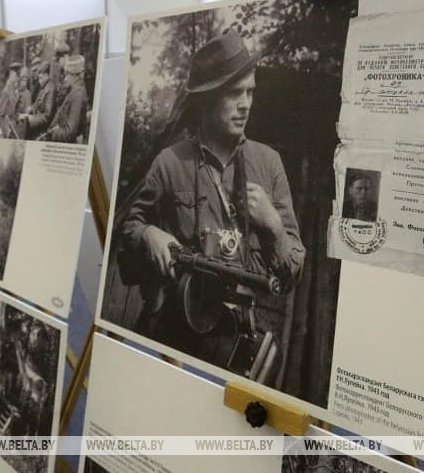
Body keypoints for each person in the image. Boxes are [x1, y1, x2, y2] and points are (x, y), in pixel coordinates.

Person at [117, 30, 305, 377]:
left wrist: (273, 227)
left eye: (250, 91)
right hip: (173, 340)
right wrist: (147, 235)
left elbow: (291, 274)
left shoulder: (269, 163)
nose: (246, 103)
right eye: (234, 93)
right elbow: (125, 232)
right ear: (206, 99)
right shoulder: (170, 163)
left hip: (235, 349)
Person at [46, 54, 88, 143]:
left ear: (74, 74)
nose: (65, 79)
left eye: (67, 74)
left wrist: (53, 132)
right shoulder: (71, 90)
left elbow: (70, 133)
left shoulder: (77, 94)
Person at [20, 61, 56, 138]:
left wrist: (31, 118)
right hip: (37, 121)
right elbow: (37, 104)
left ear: (47, 75)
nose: (39, 81)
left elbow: (47, 117)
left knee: (25, 126)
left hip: (44, 128)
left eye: (41, 77)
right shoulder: (43, 87)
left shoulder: (50, 90)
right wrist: (31, 108)